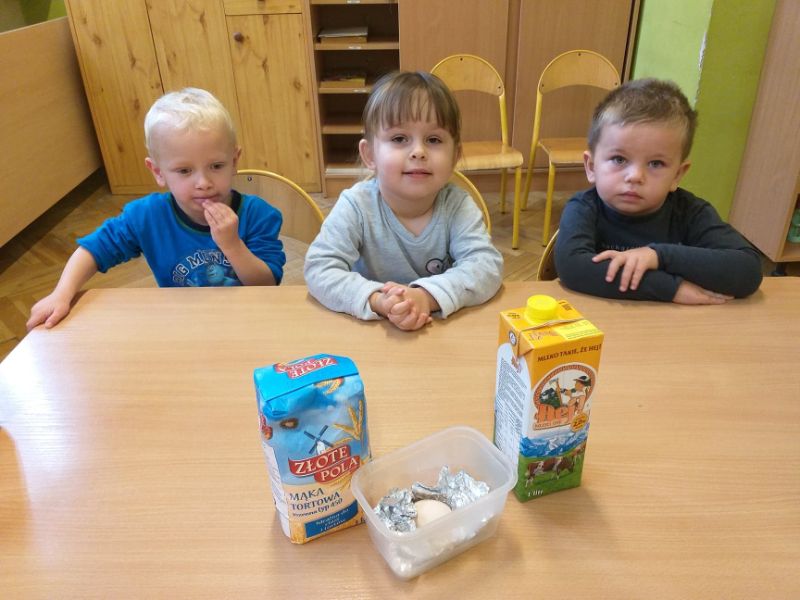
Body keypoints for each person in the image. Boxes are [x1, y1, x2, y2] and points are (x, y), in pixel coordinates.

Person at [27, 87, 285, 330]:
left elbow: (267, 285)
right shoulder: (146, 217)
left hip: (248, 323)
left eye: (216, 166)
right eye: (184, 171)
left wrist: (232, 246)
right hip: (182, 326)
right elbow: (94, 250)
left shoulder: (259, 215)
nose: (203, 183)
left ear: (234, 161)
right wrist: (61, 293)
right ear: (158, 172)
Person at [304, 71, 503, 331]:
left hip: (440, 333)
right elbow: (319, 268)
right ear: (370, 155)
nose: (418, 151)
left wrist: (425, 297)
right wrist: (378, 300)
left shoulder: (457, 206)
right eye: (399, 139)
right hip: (371, 332)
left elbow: (486, 267)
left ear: (455, 156)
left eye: (433, 140)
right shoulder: (356, 206)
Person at [555, 78, 762, 304]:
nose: (635, 176)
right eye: (619, 159)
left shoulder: (690, 212)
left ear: (677, 175)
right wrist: (672, 288)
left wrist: (658, 256)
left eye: (655, 163)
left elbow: (748, 270)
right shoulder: (583, 208)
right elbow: (573, 268)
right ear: (591, 166)